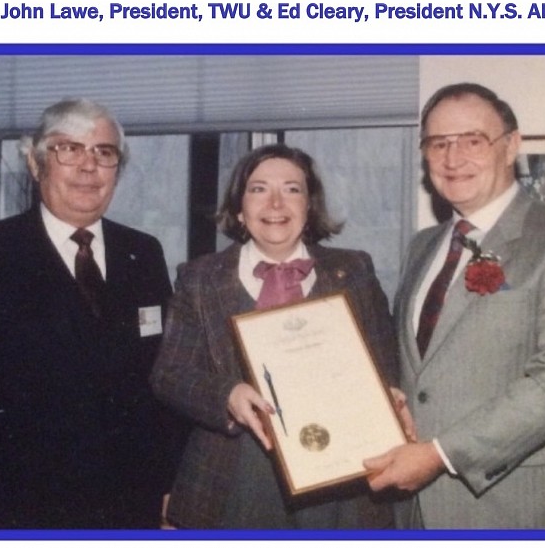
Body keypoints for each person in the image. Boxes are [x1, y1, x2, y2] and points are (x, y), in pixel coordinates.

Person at [364, 83, 545, 529]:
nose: (453, 159)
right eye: (439, 144)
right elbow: (424, 371)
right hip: (417, 511)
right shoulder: (423, 246)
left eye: (473, 140)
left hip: (522, 510)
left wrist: (440, 454)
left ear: (511, 146)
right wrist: (390, 398)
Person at [150, 143, 399, 529]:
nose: (276, 203)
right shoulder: (199, 278)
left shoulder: (354, 269)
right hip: (235, 473)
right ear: (239, 208)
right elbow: (170, 374)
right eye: (259, 188)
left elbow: (386, 365)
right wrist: (227, 395)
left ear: (310, 206)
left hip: (341, 475)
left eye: (292, 189)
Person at [0, 99, 184, 529]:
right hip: (18, 508)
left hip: (131, 504)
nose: (89, 167)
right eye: (68, 149)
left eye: (104, 153)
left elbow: (163, 375)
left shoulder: (143, 251)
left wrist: (170, 483)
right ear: (34, 163)